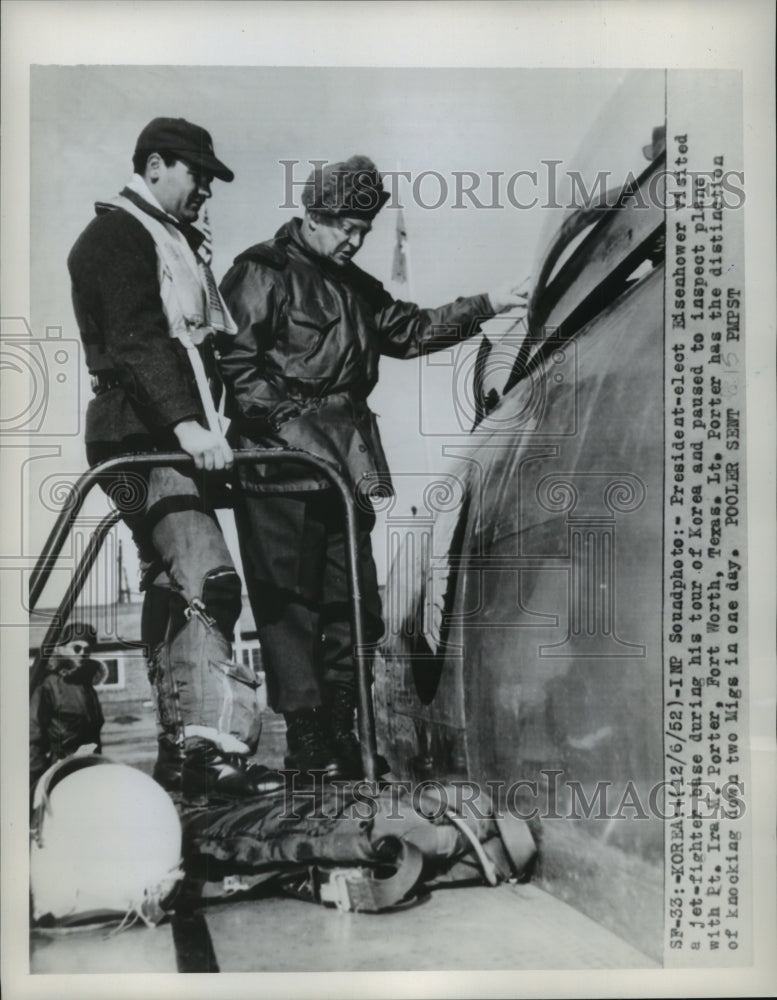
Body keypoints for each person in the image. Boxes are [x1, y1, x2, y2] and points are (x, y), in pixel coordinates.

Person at [218, 155, 528, 777]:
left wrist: (492, 302)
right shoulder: (262, 271)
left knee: (352, 605)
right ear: (311, 216)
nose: (356, 240)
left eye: (365, 229)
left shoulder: (354, 284)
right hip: (278, 471)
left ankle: (344, 735)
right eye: (345, 228)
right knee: (289, 609)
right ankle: (307, 746)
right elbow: (236, 366)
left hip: (347, 469)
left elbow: (410, 331)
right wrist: (295, 434)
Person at [67, 117, 278, 801]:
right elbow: (137, 340)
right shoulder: (117, 236)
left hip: (149, 436)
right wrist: (188, 427)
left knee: (167, 584)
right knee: (210, 578)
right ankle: (210, 746)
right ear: (155, 166)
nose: (205, 192)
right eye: (197, 176)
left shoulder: (169, 239)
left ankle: (177, 748)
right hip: (146, 438)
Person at [29, 623, 104, 789]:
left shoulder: (86, 685)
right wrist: (36, 784)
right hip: (58, 773)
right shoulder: (48, 685)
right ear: (62, 649)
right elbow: (32, 737)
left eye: (87, 649)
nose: (82, 654)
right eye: (76, 648)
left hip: (87, 770)